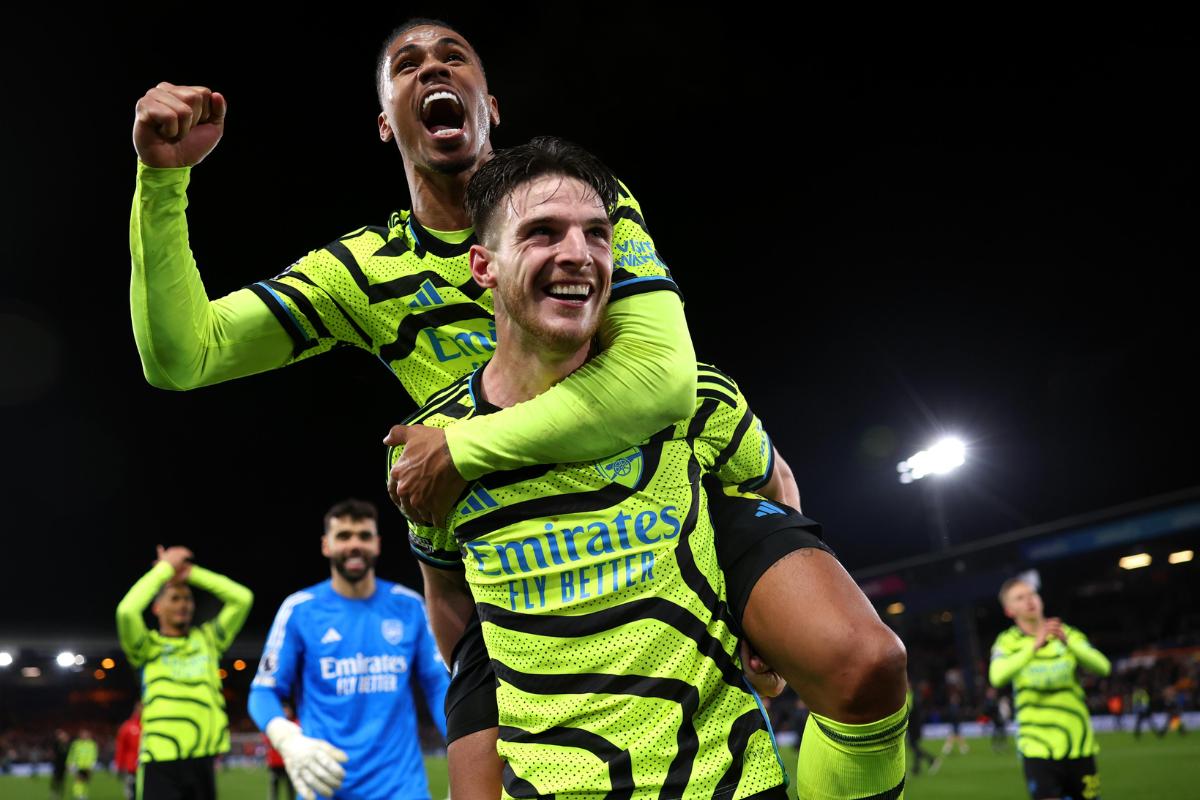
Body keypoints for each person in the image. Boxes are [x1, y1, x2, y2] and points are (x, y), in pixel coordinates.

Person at [394, 137, 909, 799]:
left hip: (725, 783)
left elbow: (773, 487)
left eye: (597, 235)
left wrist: (766, 614)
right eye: (542, 233)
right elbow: (449, 602)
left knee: (873, 663)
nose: (578, 254)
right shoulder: (434, 441)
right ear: (482, 266)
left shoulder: (693, 397)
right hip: (554, 786)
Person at [248, 499, 450, 800]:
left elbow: (438, 687)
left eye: (364, 536)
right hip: (327, 788)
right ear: (326, 545)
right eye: (343, 536)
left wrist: (461, 749)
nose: (354, 544)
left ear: (377, 544)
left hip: (402, 790)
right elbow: (263, 692)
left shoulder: (408, 606)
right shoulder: (299, 611)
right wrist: (287, 738)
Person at [116, 546, 254, 800]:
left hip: (203, 759)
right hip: (161, 760)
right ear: (157, 607)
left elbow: (242, 598)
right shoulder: (146, 647)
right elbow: (126, 611)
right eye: (175, 598)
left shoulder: (209, 640)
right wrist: (164, 569)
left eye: (187, 598)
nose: (184, 605)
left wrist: (190, 573)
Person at [989, 576, 1110, 800]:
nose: (1029, 600)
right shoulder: (1006, 642)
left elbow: (1103, 667)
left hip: (1078, 742)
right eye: (1020, 598)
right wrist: (1035, 646)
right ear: (1009, 610)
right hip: (1037, 746)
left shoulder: (1068, 633)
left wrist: (1069, 643)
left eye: (1032, 594)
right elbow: (997, 677)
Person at [264, 703, 297, 800]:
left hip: (290, 762)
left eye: (288, 710)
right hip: (275, 762)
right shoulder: (274, 724)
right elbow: (267, 740)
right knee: (274, 786)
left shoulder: (296, 722)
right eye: (284, 710)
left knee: (291, 787)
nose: (286, 712)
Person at [115, 703, 142, 800]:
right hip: (131, 767)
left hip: (146, 766)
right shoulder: (127, 727)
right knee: (131, 793)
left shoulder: (148, 725)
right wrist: (119, 765)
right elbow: (121, 747)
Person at [65, 730, 98, 800]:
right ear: (80, 735)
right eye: (83, 734)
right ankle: (78, 795)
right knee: (78, 781)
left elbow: (94, 754)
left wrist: (93, 763)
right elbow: (71, 754)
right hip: (78, 765)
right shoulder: (76, 744)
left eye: (86, 734)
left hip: (88, 766)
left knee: (86, 781)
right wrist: (69, 763)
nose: (84, 736)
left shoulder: (92, 744)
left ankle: (84, 794)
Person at [49, 729, 70, 800]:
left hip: (64, 765)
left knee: (62, 780)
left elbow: (69, 755)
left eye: (64, 736)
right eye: (61, 735)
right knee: (55, 779)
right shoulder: (56, 744)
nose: (63, 737)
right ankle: (54, 793)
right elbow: (53, 753)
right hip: (57, 765)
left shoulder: (68, 745)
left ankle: (60, 793)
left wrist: (69, 764)